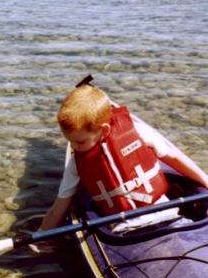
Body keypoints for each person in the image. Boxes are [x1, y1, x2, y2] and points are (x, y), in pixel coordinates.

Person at [39, 81, 208, 235]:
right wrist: (42, 234)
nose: (74, 147)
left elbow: (174, 158)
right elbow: (60, 206)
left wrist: (205, 181)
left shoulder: (139, 133)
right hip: (124, 231)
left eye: (80, 141)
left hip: (169, 216)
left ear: (104, 130)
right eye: (70, 141)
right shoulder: (77, 164)